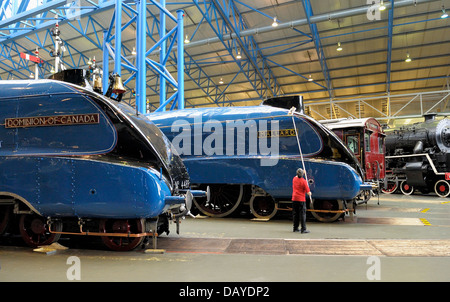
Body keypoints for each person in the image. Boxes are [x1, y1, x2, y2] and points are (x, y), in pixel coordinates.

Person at [292, 168, 312, 233]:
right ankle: (303, 229)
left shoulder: (294, 179)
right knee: (302, 214)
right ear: (302, 174)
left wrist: (303, 172)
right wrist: (310, 193)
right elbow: (308, 192)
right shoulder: (304, 181)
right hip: (301, 199)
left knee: (295, 214)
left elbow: (296, 176)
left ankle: (295, 228)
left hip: (294, 198)